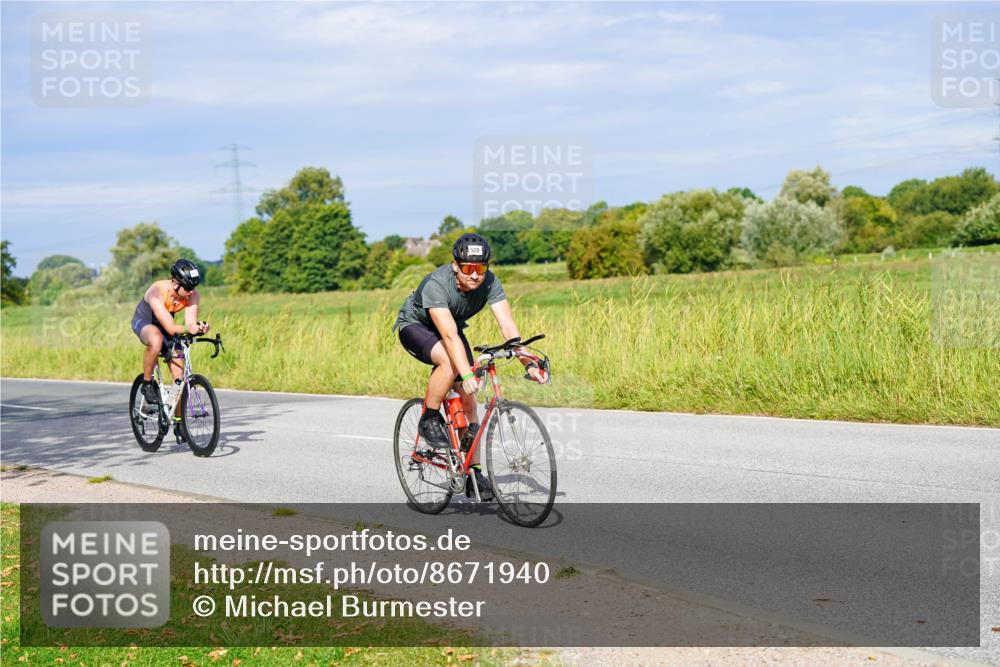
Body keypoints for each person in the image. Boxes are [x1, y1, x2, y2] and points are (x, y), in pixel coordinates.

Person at [394, 233, 547, 500]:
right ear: (456, 266)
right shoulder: (436, 285)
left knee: (469, 403)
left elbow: (508, 326)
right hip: (417, 327)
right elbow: (449, 336)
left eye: (481, 268)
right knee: (450, 363)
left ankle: (473, 471)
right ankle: (429, 417)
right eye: (468, 269)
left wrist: (526, 361)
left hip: (451, 328)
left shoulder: (489, 282)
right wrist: (464, 372)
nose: (476, 275)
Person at [130, 259, 210, 441]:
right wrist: (189, 329)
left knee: (179, 378)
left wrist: (199, 327)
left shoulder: (192, 294)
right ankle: (147, 383)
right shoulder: (157, 292)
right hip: (145, 322)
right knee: (156, 339)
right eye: (187, 288)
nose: (191, 292)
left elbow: (189, 323)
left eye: (194, 288)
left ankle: (179, 422)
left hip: (168, 326)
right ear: (175, 283)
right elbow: (171, 327)